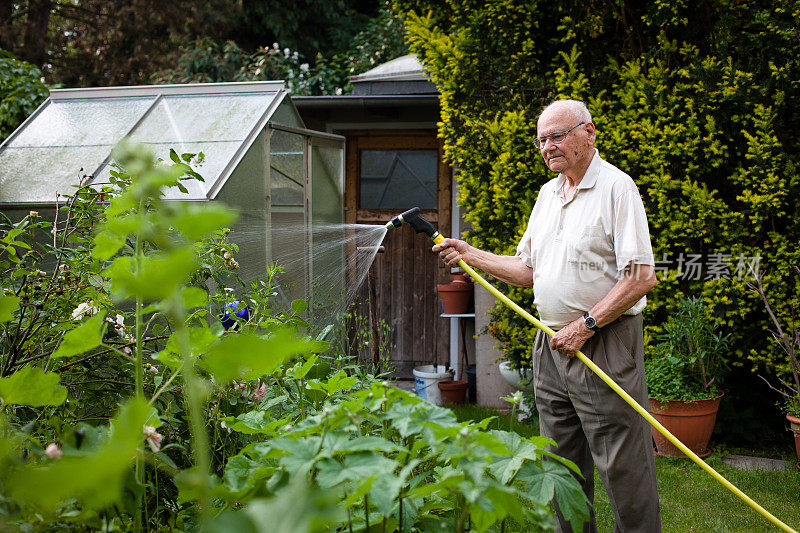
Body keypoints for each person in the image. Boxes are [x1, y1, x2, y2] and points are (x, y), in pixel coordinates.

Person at [433, 99, 661, 532]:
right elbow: (527, 269)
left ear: (588, 133)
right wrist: (471, 254)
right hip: (550, 343)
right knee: (559, 463)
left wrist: (586, 325)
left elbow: (640, 277)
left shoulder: (617, 188)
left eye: (557, 136)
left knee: (622, 463)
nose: (548, 147)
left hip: (602, 341)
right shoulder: (548, 193)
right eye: (541, 140)